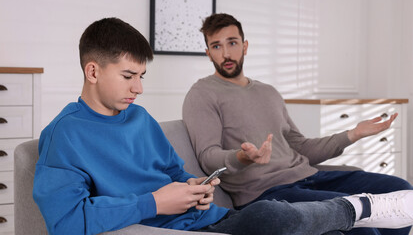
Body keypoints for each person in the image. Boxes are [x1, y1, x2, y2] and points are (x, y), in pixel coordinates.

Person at [32, 17, 413, 235]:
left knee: (364, 233)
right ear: (93, 70)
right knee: (272, 215)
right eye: (130, 76)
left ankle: (358, 216)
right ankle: (354, 208)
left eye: (143, 75)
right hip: (179, 230)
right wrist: (156, 202)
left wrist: (195, 187)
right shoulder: (65, 136)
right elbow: (65, 221)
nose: (140, 88)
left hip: (213, 216)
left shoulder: (140, 119)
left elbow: (174, 172)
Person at [182, 13, 413, 235]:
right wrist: (242, 157)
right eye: (216, 46)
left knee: (402, 191)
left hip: (310, 177)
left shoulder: (268, 92)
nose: (225, 53)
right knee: (362, 222)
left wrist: (353, 134)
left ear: (245, 46)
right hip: (268, 193)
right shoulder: (202, 94)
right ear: (208, 53)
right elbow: (207, 155)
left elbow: (300, 147)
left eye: (232, 43)